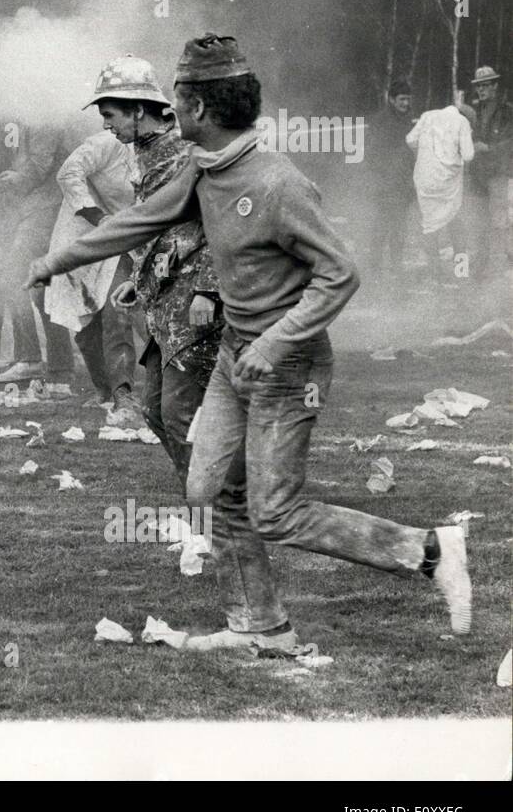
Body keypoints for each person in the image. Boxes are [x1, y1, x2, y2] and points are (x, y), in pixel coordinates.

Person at [28, 32, 472, 649]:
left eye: (177, 101)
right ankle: (260, 625)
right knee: (210, 489)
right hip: (237, 357)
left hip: (288, 365)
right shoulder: (204, 172)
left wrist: (275, 340)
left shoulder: (277, 184)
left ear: (199, 110)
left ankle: (427, 550)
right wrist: (58, 261)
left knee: (276, 512)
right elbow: (139, 222)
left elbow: (341, 274)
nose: (169, 111)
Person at [87, 54, 222, 482]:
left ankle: (216, 504)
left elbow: (218, 223)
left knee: (181, 414)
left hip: (196, 302)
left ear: (138, 109)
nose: (107, 125)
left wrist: (208, 290)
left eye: (110, 115)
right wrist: (137, 281)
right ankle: (210, 495)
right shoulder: (144, 152)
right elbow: (160, 226)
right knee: (155, 412)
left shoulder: (186, 151)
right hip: (165, 303)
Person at [50, 123, 143, 425]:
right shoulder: (107, 144)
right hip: (82, 237)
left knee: (116, 312)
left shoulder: (161, 156)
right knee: (85, 323)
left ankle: (123, 393)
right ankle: (103, 389)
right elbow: (68, 172)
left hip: (123, 243)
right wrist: (98, 216)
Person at [0, 120, 77, 385]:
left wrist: (16, 179)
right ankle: (61, 367)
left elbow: (39, 166)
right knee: (42, 288)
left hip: (43, 207)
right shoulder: (30, 115)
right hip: (37, 206)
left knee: (13, 278)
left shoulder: (42, 116)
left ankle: (29, 360)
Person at [405, 103, 474, 287]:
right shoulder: (462, 121)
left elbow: (410, 139)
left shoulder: (428, 115)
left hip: (425, 181)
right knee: (457, 227)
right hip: (449, 185)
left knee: (430, 227)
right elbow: (468, 155)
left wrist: (425, 157)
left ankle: (435, 276)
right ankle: (462, 272)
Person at [364, 80, 416, 287]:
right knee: (382, 228)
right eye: (402, 99)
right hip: (386, 185)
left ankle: (396, 267)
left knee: (399, 228)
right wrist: (387, 176)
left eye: (408, 99)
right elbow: (373, 155)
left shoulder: (406, 120)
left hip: (402, 185)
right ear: (392, 99)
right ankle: (375, 269)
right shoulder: (381, 121)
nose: (406, 103)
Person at [463, 65, 513, 278]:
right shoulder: (474, 112)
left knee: (498, 221)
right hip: (478, 175)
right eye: (478, 86)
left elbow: (510, 142)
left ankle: (501, 267)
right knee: (477, 221)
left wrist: (489, 148)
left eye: (485, 85)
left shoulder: (507, 111)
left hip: (497, 173)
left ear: (495, 86)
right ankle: (479, 268)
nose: (481, 90)